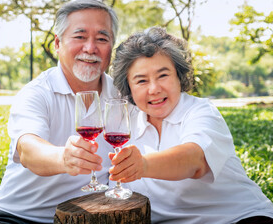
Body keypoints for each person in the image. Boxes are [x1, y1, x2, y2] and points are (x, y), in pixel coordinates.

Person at [109, 26, 273, 224]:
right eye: (141, 81)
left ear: (179, 76)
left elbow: (195, 161)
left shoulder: (201, 112)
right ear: (129, 89)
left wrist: (143, 165)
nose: (154, 89)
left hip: (237, 218)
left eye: (163, 75)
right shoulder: (125, 125)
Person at [0, 0, 119, 224]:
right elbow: (29, 150)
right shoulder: (36, 93)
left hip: (91, 219)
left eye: (102, 39)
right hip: (20, 218)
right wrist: (64, 158)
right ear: (57, 43)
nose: (90, 48)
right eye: (80, 36)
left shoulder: (122, 96)